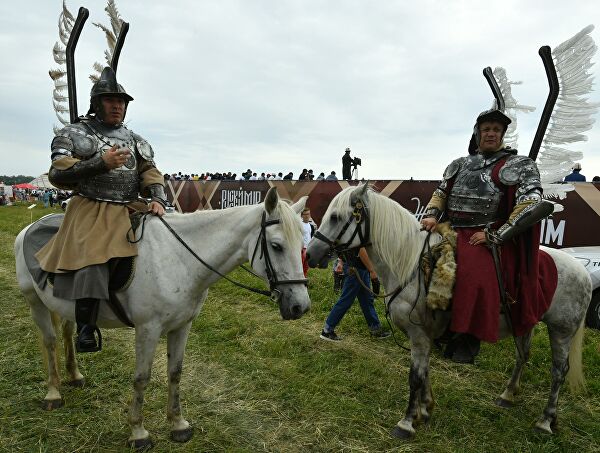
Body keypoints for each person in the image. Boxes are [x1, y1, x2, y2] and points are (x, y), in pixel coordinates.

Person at [35, 66, 167, 353]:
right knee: (95, 254)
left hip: (131, 205)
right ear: (97, 104)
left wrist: (157, 197)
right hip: (92, 207)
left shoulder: (135, 139)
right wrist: (101, 163)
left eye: (121, 102)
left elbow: (150, 171)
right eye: (110, 100)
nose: (117, 106)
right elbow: (58, 175)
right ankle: (86, 326)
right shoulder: (75, 134)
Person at [420, 109, 557, 363]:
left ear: (503, 134)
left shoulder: (519, 165)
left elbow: (530, 203)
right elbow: (441, 192)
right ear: (478, 133)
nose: (491, 133)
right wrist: (431, 215)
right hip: (451, 228)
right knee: (419, 258)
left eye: (496, 130)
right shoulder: (460, 164)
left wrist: (496, 235)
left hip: (486, 233)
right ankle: (431, 322)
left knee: (475, 273)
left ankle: (467, 337)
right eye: (486, 129)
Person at [320, 247, 391, 341]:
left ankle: (375, 328)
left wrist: (341, 262)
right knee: (346, 300)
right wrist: (372, 270)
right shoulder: (359, 233)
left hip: (359, 267)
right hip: (356, 269)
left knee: (366, 300)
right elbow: (361, 249)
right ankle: (327, 330)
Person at [300, 207, 316, 277]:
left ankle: (304, 279)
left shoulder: (311, 226)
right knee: (300, 266)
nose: (307, 216)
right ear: (302, 215)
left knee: (306, 266)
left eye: (308, 214)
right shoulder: (299, 225)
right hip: (301, 249)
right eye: (305, 214)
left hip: (308, 249)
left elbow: (311, 237)